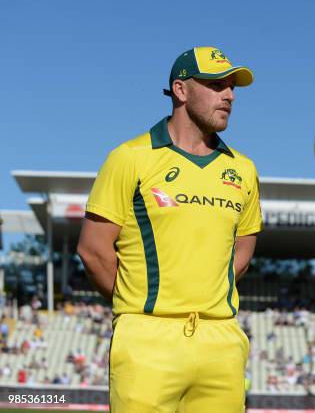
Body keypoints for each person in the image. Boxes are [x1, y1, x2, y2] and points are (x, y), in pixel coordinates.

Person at [78, 46, 263, 412]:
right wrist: (138, 305)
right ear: (181, 90)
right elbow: (93, 249)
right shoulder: (130, 157)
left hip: (221, 339)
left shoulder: (243, 169)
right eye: (215, 84)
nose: (228, 95)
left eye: (232, 86)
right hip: (147, 336)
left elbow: (242, 252)